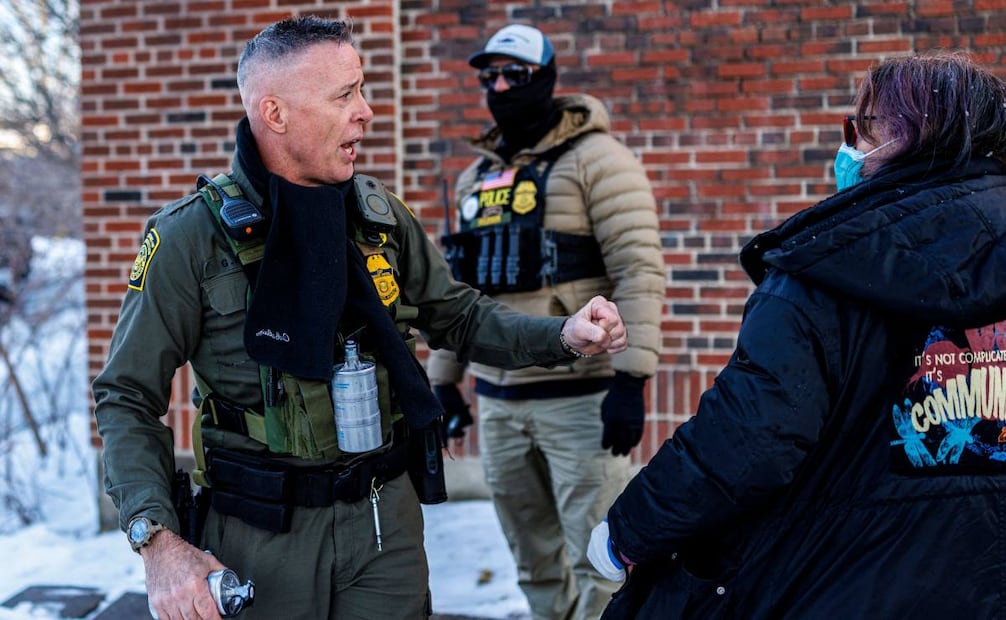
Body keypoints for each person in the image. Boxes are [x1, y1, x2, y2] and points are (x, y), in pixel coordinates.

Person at [92, 15, 631, 620]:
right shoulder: (191, 237)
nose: (366, 112)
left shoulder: (380, 216)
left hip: (383, 526)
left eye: (363, 89)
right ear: (275, 114)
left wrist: (564, 334)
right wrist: (158, 542)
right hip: (258, 537)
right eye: (344, 95)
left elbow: (459, 316)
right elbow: (126, 395)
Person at [586, 51, 1006, 618]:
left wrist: (629, 530)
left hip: (839, 580)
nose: (850, 148)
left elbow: (751, 438)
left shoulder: (825, 264)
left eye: (859, 129)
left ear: (905, 136)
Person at [428, 24, 664, 620]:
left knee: (600, 562)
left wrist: (632, 381)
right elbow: (458, 293)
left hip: (580, 402)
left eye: (517, 74)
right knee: (532, 561)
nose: (501, 87)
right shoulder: (476, 180)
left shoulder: (599, 162)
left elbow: (638, 269)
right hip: (499, 403)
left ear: (548, 79)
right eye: (491, 76)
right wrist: (443, 380)